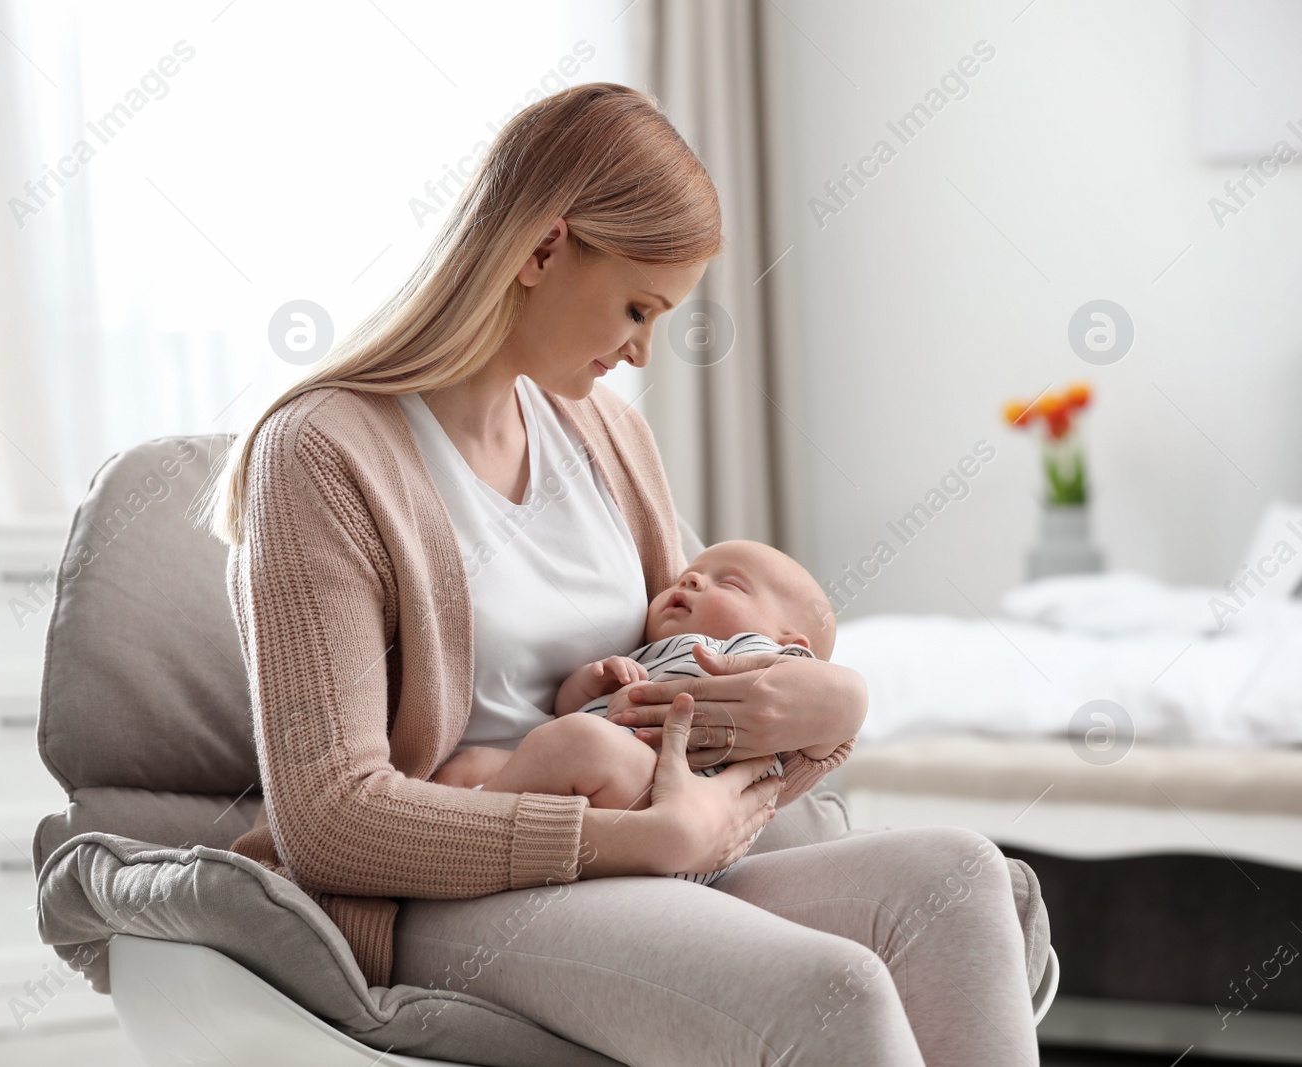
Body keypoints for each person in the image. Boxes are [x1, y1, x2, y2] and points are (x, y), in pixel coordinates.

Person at [203, 83, 1042, 1066]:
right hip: (454, 891)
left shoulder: (606, 435)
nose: (641, 347)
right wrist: (644, 844)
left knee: (961, 874)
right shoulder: (322, 453)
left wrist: (834, 696)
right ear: (544, 247)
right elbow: (329, 822)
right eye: (637, 306)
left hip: (653, 848)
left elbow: (710, 645)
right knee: (833, 989)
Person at [431, 540, 838, 886]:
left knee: (579, 742)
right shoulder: (650, 654)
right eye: (686, 576)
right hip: (624, 809)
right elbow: (570, 711)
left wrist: (828, 687)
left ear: (789, 640)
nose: (691, 579)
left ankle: (463, 848)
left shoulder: (759, 655)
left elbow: (805, 686)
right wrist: (594, 683)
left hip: (689, 805)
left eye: (729, 583)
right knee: (471, 762)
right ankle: (466, 831)